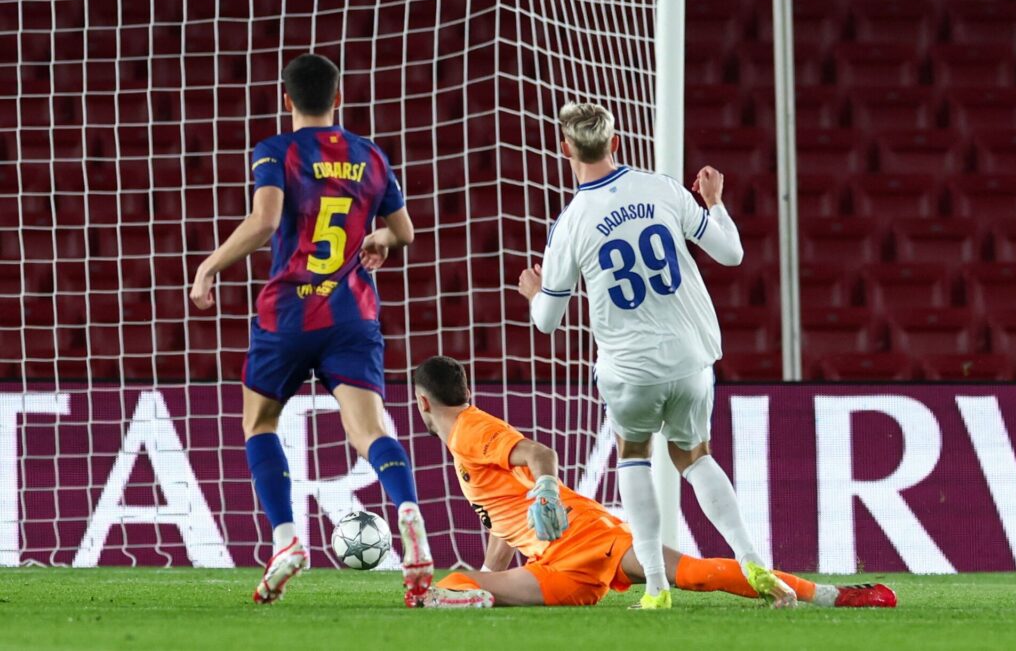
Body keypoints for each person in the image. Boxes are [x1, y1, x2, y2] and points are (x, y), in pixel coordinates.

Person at [189, 53, 432, 606]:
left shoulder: (277, 151)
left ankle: (286, 541)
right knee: (369, 432)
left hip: (289, 314)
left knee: (259, 423)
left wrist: (209, 267)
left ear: (286, 100)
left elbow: (266, 221)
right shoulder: (370, 156)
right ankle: (408, 509)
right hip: (351, 312)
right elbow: (406, 232)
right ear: (339, 98)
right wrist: (378, 241)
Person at [518, 101, 775, 609]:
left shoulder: (570, 223)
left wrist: (535, 291)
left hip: (630, 369)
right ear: (616, 143)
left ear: (564, 148)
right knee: (694, 456)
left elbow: (547, 322)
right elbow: (731, 253)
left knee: (634, 453)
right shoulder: (660, 188)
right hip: (691, 356)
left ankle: (656, 587)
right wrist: (715, 202)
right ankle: (753, 560)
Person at [412, 356, 896, 610]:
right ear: (467, 390)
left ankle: (831, 593)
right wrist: (492, 565)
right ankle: (830, 594)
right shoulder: (466, 435)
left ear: (422, 402)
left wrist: (544, 487)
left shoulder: (470, 429)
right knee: (695, 573)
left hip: (577, 543)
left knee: (448, 585)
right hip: (579, 547)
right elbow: (502, 519)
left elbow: (540, 453)